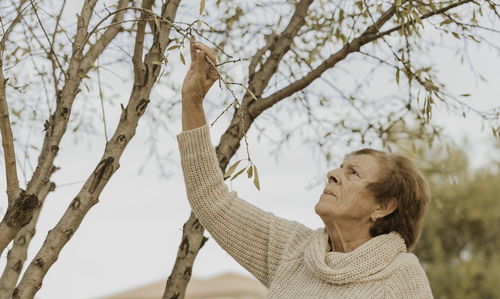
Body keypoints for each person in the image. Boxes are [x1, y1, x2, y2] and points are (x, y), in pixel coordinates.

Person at [176, 38, 433, 298]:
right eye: (341, 168)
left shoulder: (401, 277)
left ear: (383, 206)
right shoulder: (293, 251)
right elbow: (210, 199)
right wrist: (193, 101)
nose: (333, 174)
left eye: (353, 173)